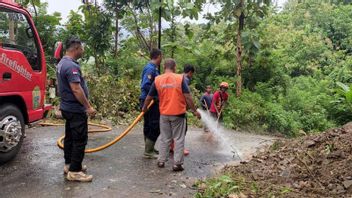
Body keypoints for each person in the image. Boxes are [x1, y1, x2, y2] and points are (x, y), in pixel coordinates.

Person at [142, 59, 201, 171]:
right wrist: (194, 111)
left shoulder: (158, 79)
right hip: (178, 114)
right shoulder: (180, 78)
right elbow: (188, 96)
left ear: (164, 67)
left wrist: (144, 108)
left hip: (164, 114)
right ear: (174, 67)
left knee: (165, 138)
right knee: (178, 139)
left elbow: (149, 97)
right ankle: (177, 164)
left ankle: (161, 161)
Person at [57, 37, 96, 182]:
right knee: (80, 139)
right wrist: (88, 107)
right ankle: (75, 171)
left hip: (67, 107)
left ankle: (70, 164)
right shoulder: (71, 66)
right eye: (81, 48)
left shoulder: (62, 63)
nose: (83, 50)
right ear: (75, 49)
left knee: (70, 138)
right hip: (75, 109)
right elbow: (76, 89)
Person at [140, 48, 162, 159]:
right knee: (154, 124)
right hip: (149, 101)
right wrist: (155, 95)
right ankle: (148, 151)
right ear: (158, 56)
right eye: (161, 57)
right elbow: (146, 85)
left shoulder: (153, 68)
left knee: (149, 124)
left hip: (149, 100)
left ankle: (149, 148)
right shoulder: (150, 69)